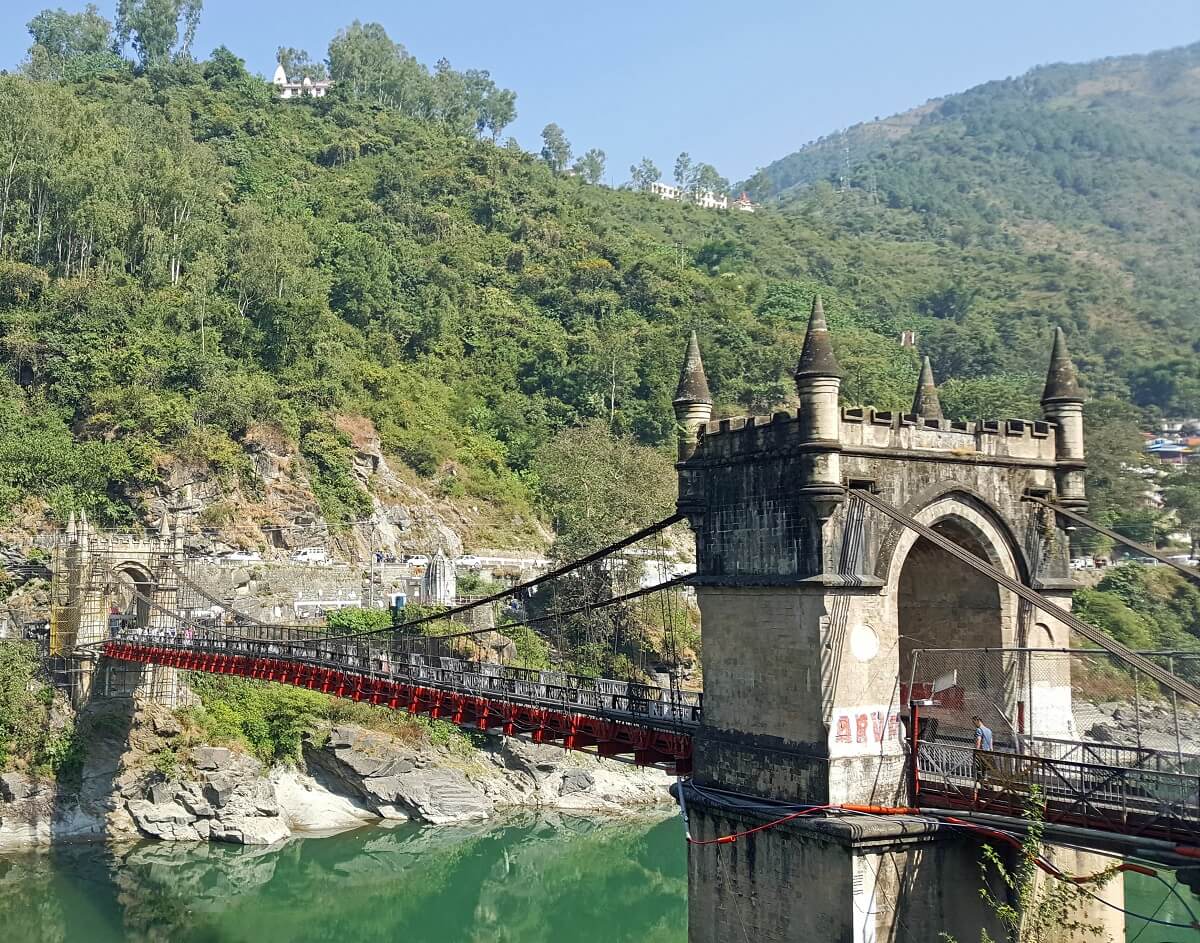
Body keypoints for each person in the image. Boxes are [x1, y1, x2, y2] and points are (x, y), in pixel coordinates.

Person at [972, 715, 995, 799]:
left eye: (974, 722)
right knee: (984, 772)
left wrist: (976, 751)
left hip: (981, 754)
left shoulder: (979, 730)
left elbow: (978, 741)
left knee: (977, 772)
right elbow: (991, 744)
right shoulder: (989, 730)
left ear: (978, 721)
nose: (973, 724)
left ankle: (983, 789)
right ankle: (986, 788)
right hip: (988, 754)